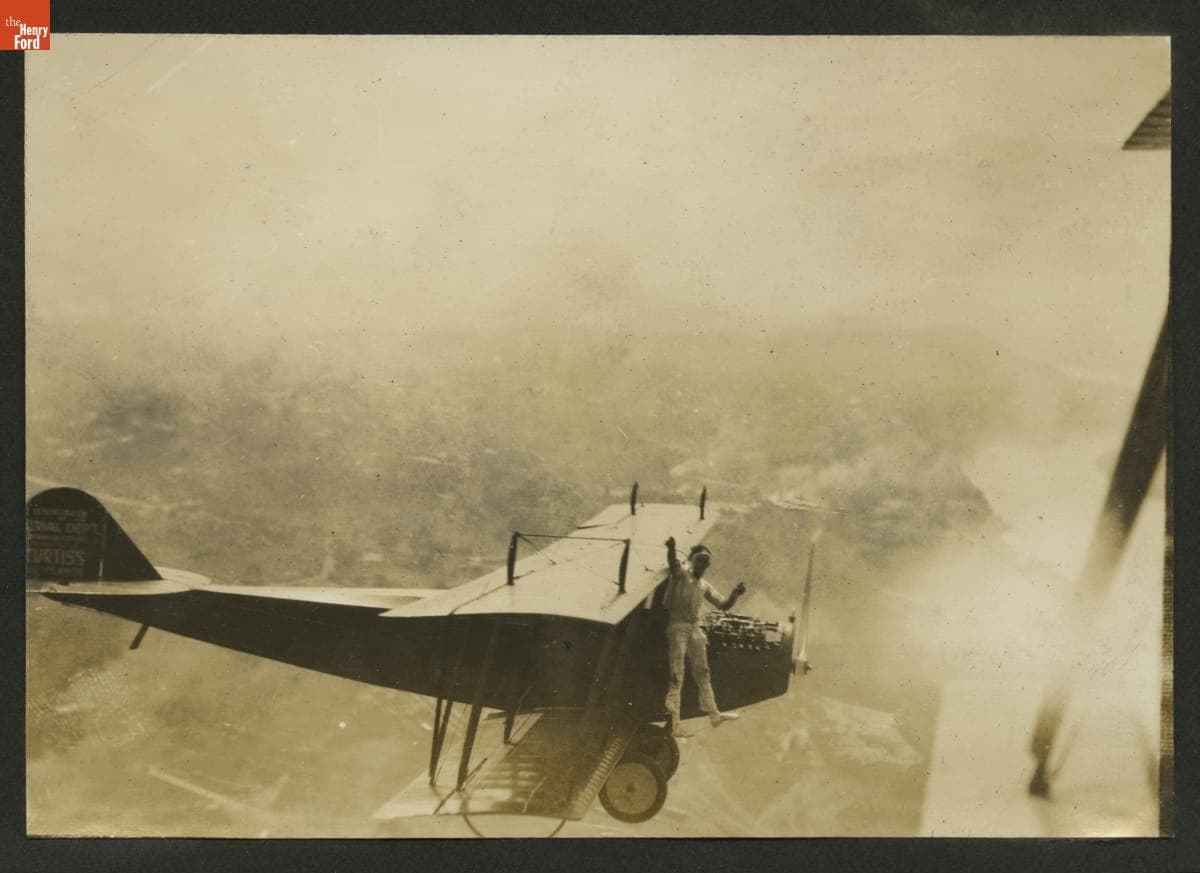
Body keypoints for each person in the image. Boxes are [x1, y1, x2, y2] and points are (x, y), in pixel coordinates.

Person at [663, 536, 746, 737]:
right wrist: (672, 547)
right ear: (693, 560)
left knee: (703, 670)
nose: (703, 564)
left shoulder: (703, 585)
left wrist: (735, 593)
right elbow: (673, 563)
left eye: (706, 561)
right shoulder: (681, 574)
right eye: (700, 559)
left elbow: (723, 604)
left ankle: (714, 713)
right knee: (677, 673)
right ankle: (675, 724)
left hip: (693, 627)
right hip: (678, 626)